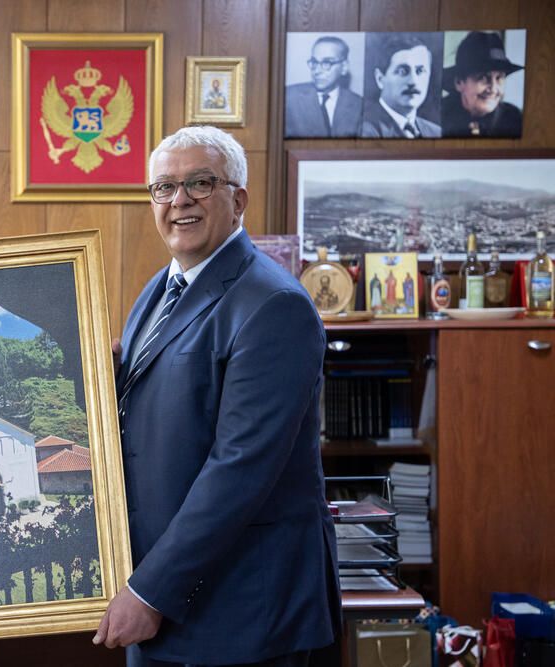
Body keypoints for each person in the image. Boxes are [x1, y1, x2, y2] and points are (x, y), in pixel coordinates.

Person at [92, 125, 340, 666]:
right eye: (163, 187)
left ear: (238, 200)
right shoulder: (161, 287)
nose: (178, 200)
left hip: (241, 614)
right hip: (161, 597)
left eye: (200, 183)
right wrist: (95, 380)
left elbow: (240, 468)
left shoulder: (273, 305)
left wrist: (150, 591)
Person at [442, 31, 523, 137]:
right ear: (459, 82)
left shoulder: (513, 119)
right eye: (483, 78)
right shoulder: (439, 116)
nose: (493, 89)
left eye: (499, 78)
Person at [362, 33, 442, 138]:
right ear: (380, 79)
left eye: (420, 71)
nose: (413, 81)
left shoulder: (435, 132)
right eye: (402, 71)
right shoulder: (364, 130)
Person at [285, 35, 362, 137]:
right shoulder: (289, 98)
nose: (317, 71)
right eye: (314, 62)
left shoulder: (359, 105)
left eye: (327, 63)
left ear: (344, 67)